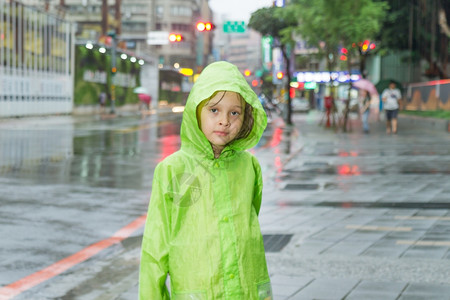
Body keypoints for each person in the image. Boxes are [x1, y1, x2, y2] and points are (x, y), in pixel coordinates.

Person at [139, 61, 272, 299]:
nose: (224, 121)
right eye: (214, 110)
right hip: (198, 289)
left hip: (247, 288)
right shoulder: (172, 169)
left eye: (235, 112)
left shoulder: (248, 165)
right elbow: (155, 247)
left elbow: (249, 218)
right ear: (195, 111)